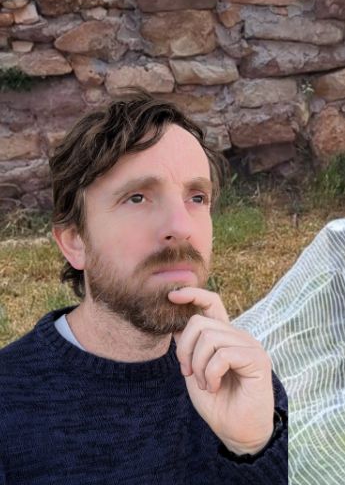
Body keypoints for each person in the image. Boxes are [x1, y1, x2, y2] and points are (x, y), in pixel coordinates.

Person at [0, 94, 287, 484]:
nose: (181, 227)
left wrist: (251, 446)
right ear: (75, 241)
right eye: (137, 197)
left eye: (197, 198)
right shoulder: (10, 404)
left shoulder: (239, 377)